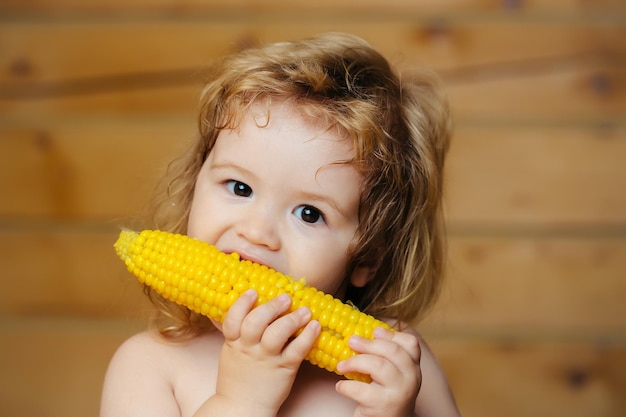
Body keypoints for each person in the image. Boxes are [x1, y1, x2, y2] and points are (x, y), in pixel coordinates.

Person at [101, 32, 460, 417]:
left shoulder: (393, 365)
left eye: (309, 213)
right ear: (193, 187)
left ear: (367, 255)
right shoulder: (150, 367)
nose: (257, 233)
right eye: (239, 187)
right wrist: (241, 402)